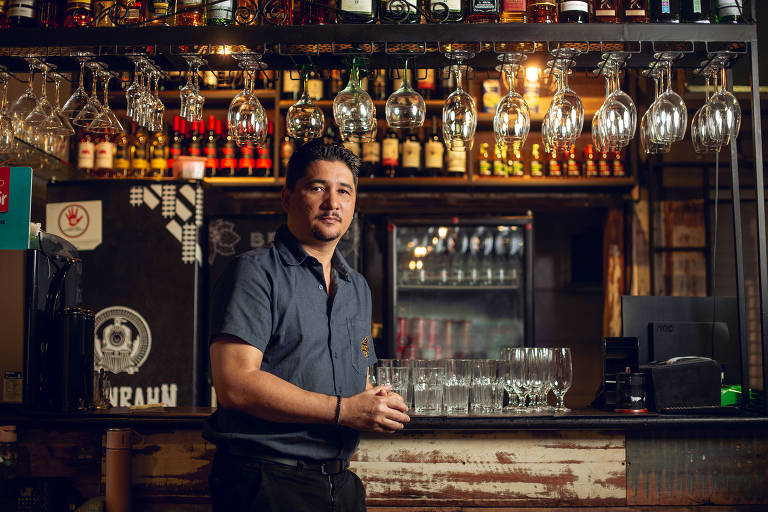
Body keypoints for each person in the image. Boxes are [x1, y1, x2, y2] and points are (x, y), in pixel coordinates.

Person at [204, 141, 410, 512]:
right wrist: (344, 410)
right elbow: (234, 384)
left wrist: (379, 401)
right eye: (318, 188)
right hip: (265, 481)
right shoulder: (255, 272)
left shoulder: (357, 287)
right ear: (287, 197)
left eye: (344, 191)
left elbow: (360, 373)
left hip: (340, 483)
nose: (333, 202)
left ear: (353, 205)